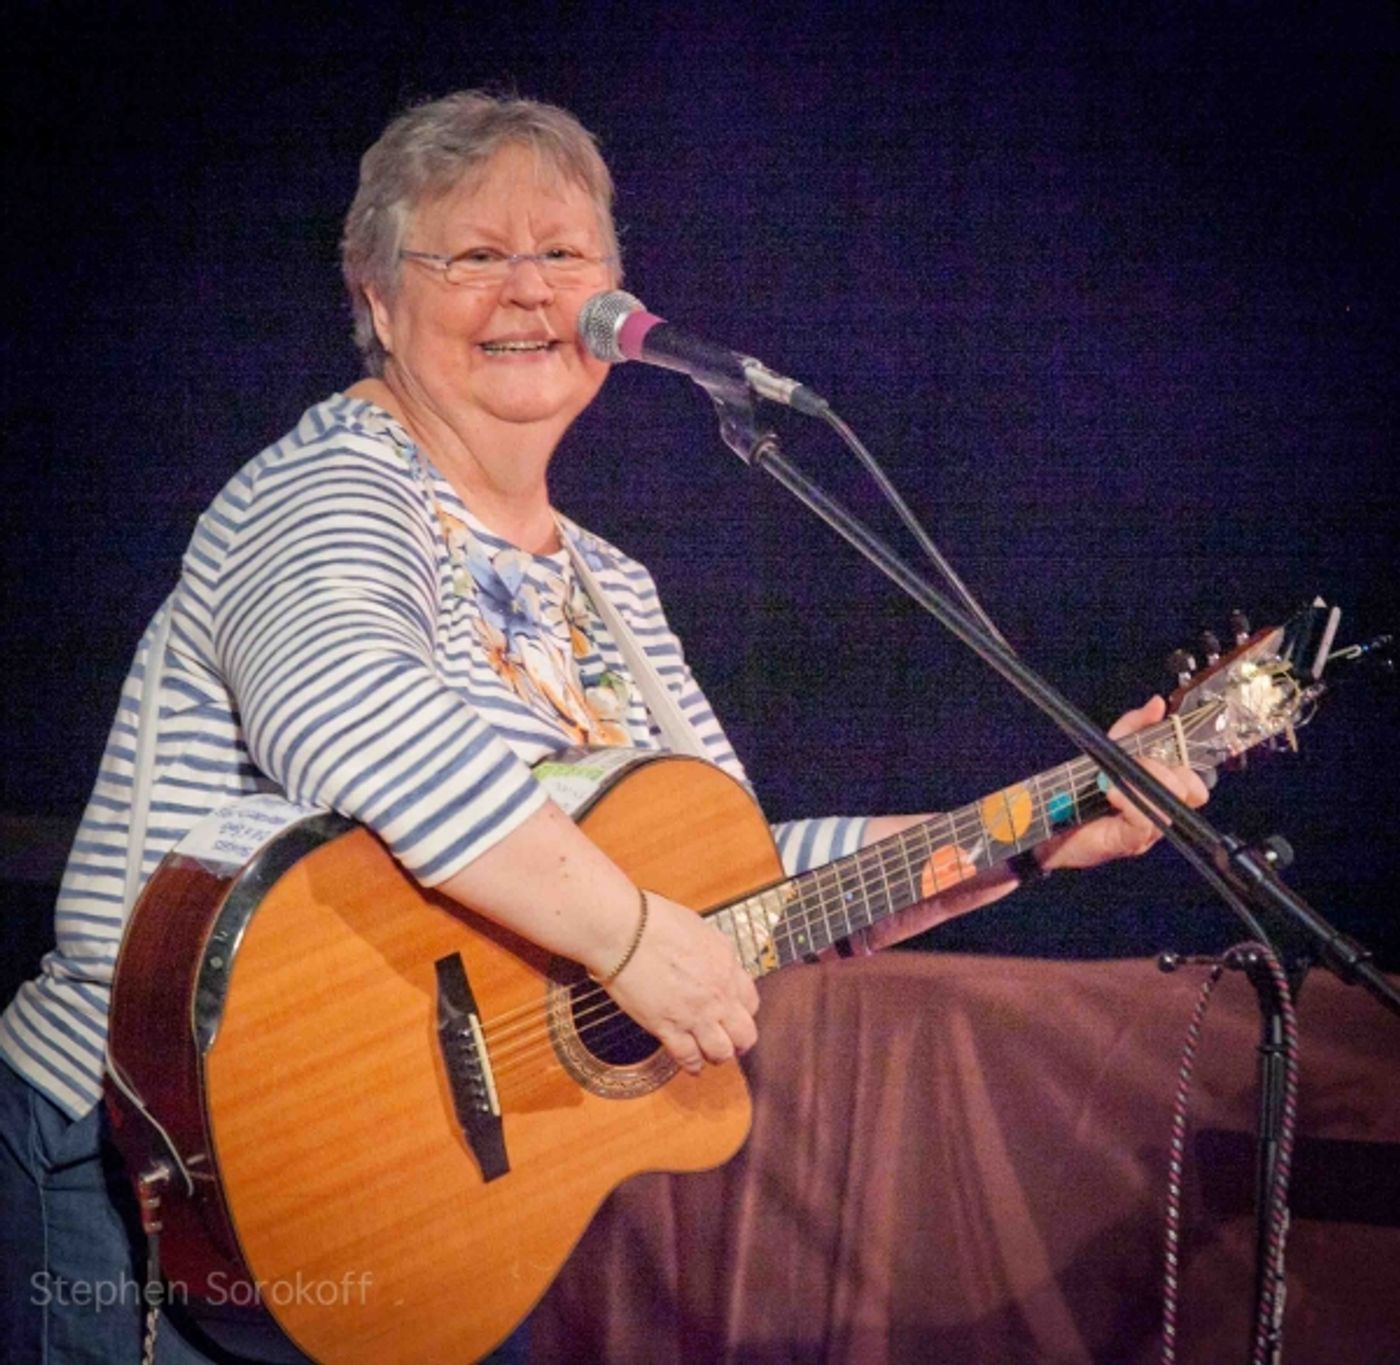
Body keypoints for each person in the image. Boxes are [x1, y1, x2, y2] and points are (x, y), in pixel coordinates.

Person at [0, 91, 1208, 1362]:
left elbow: (733, 890)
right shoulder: (327, 487)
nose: (529, 291)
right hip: (151, 1166)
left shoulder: (611, 585)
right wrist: (625, 936)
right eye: (474, 255)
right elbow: (353, 717)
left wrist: (1037, 829)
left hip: (440, 1207)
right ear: (375, 300)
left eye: (563, 254)